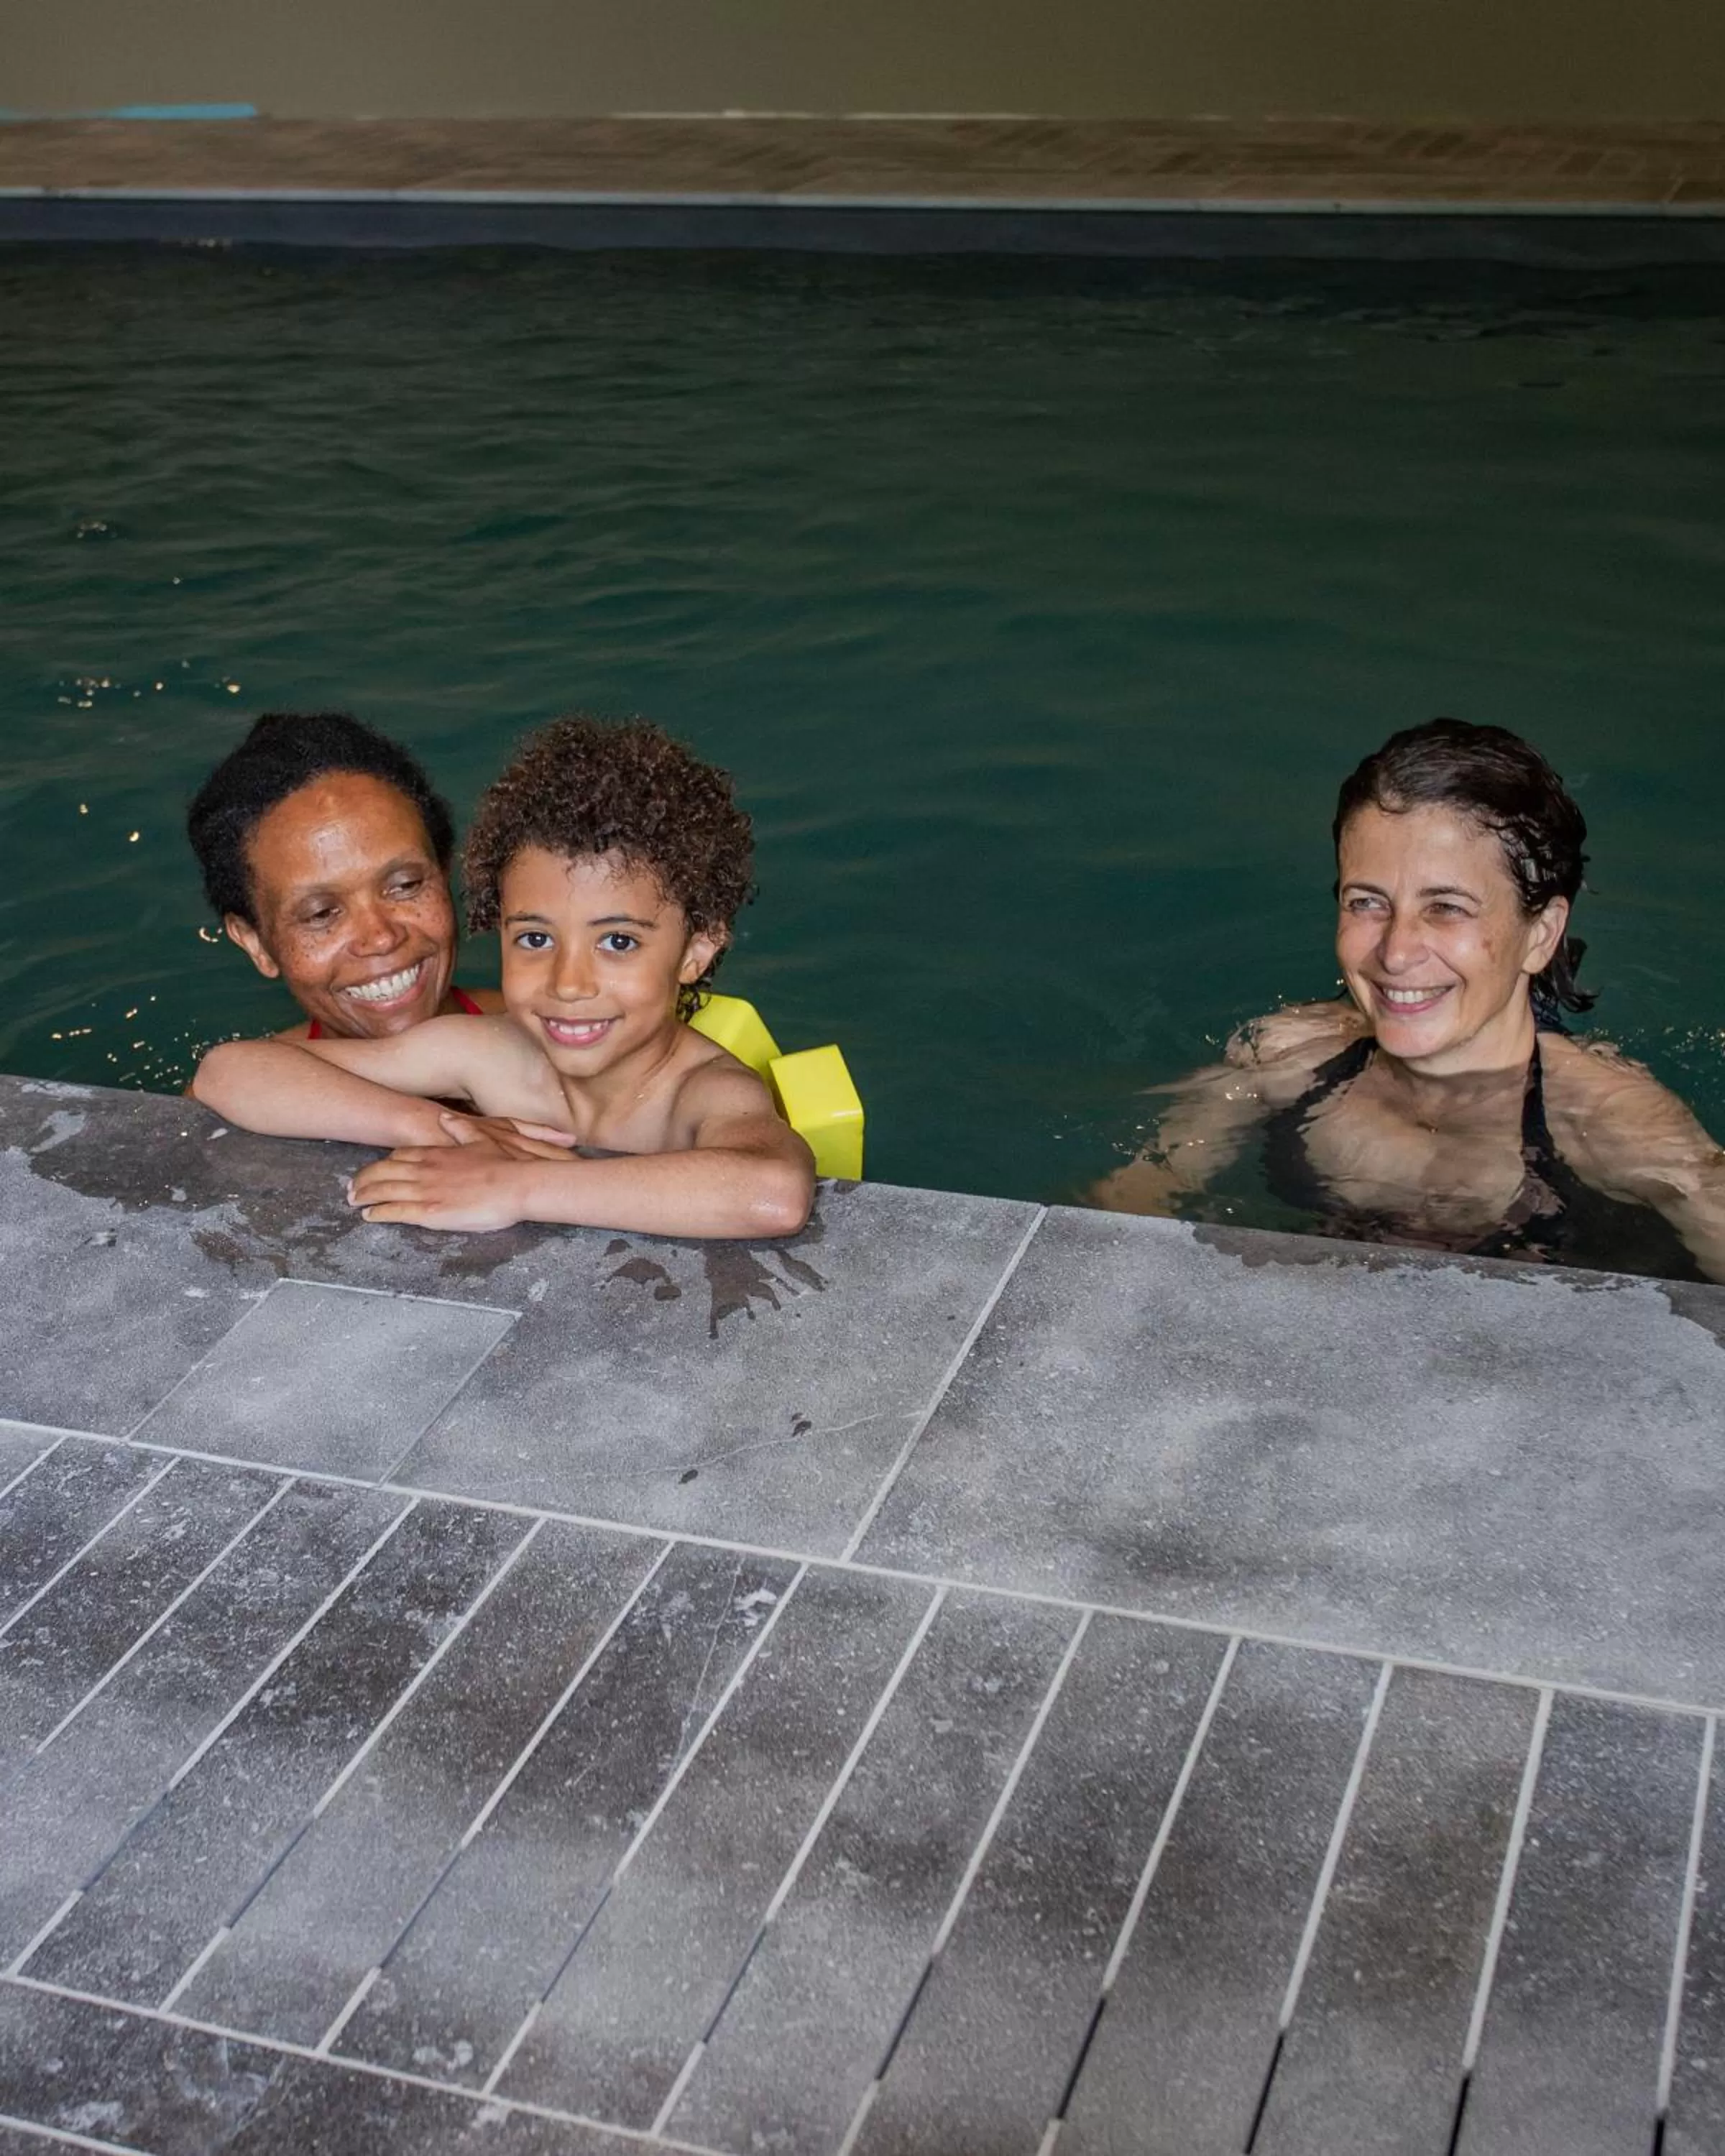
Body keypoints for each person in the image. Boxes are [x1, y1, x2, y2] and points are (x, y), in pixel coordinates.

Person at [1093, 718, 1725, 1282]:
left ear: (1540, 934)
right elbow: (1122, 1213)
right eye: (1367, 902)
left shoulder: (1614, 1124)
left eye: (1446, 908)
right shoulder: (1287, 1056)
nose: (1396, 953)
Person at [190, 714, 815, 1242]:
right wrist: (441, 1127)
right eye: (535, 939)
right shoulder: (490, 1051)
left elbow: (775, 1192)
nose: (569, 983)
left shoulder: (701, 1092)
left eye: (619, 942)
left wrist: (518, 1186)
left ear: (696, 952)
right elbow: (231, 1071)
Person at [186, 711, 503, 1041]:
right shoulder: (228, 1088)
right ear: (256, 943)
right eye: (321, 914)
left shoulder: (550, 1042)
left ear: (444, 871)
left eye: (406, 886)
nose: (381, 937)